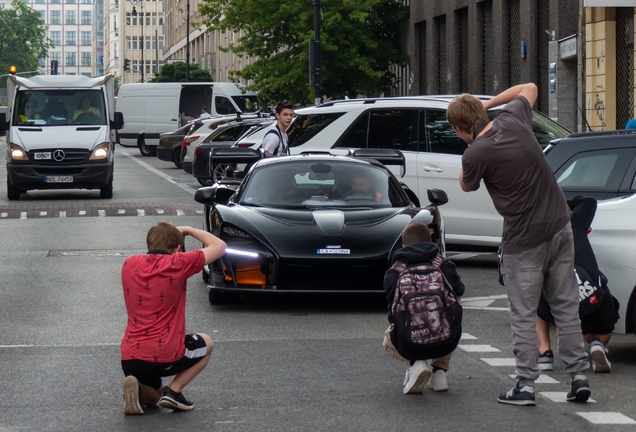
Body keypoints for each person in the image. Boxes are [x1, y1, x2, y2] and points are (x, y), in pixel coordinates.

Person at [447, 83, 591, 406]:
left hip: (523, 241)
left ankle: (525, 385)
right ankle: (579, 375)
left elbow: (465, 185)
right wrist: (491, 102)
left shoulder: (475, 154)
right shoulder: (513, 117)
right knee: (566, 304)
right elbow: (530, 87)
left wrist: (470, 148)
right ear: (483, 112)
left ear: (459, 128)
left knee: (523, 312)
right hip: (560, 226)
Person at [120, 221, 226, 415]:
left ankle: (138, 390)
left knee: (154, 399)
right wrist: (188, 230)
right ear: (177, 248)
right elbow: (219, 246)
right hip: (165, 354)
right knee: (207, 343)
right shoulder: (178, 263)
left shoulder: (129, 263)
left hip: (130, 357)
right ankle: (175, 391)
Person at [536, 196, 619, 374]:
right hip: (593, 299)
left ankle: (544, 353)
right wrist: (560, 203)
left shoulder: (535, 233)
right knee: (602, 313)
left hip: (555, 305)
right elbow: (589, 201)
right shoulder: (574, 222)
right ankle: (597, 343)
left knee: (533, 294)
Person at [383, 222, 465, 394]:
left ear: (404, 245)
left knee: (387, 340)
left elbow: (392, 313)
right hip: (446, 341)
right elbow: (460, 290)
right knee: (453, 302)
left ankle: (416, 363)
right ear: (430, 242)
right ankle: (439, 372)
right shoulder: (443, 265)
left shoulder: (394, 272)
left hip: (409, 344)